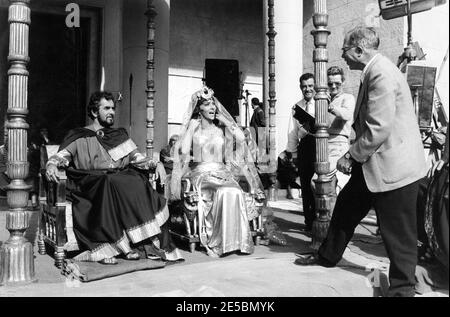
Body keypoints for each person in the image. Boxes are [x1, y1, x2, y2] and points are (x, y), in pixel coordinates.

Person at [295, 27, 427, 297]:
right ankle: (328, 256)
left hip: (393, 169)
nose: (342, 55)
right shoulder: (377, 70)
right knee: (345, 209)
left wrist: (350, 155)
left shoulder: (380, 73)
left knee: (398, 235)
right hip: (375, 166)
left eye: (345, 49)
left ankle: (402, 290)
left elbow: (378, 129)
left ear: (359, 50)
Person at [45, 91, 183, 265]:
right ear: (95, 112)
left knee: (135, 181)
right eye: (107, 108)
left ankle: (145, 243)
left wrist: (154, 164)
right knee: (110, 182)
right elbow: (61, 156)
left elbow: (136, 158)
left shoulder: (119, 135)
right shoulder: (79, 135)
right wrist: (51, 165)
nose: (112, 112)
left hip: (115, 180)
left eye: (113, 108)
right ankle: (121, 247)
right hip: (90, 184)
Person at [170, 86, 266, 257]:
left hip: (222, 173)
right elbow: (184, 151)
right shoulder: (194, 127)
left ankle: (238, 242)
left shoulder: (221, 128)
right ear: (198, 108)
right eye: (207, 104)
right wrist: (191, 128)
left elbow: (242, 138)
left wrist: (226, 120)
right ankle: (219, 242)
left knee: (235, 190)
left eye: (213, 104)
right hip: (202, 174)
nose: (212, 108)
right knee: (223, 191)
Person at [286, 73, 316, 231]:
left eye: (310, 86)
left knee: (318, 185)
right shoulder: (296, 106)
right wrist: (293, 153)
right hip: (304, 148)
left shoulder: (322, 104)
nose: (308, 89)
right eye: (304, 86)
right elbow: (292, 132)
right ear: (300, 87)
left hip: (320, 147)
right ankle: (309, 223)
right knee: (305, 186)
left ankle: (321, 221)